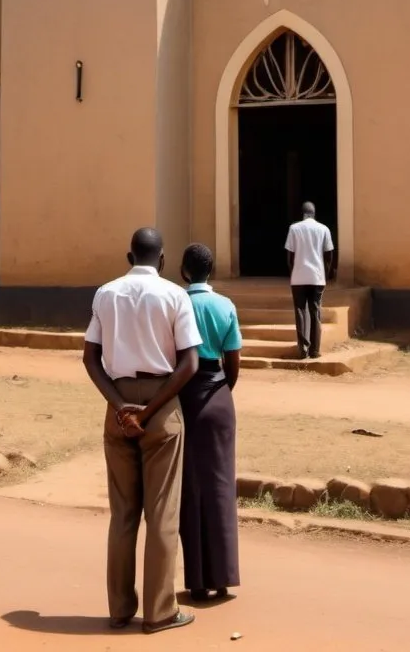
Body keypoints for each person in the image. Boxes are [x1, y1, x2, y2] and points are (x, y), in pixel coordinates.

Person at [82, 227, 202, 635]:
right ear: (164, 259)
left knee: (123, 514)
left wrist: (121, 408)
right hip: (161, 404)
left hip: (117, 407)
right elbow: (189, 364)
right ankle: (160, 612)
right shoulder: (174, 295)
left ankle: (119, 610)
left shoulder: (106, 293)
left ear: (129, 256)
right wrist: (149, 410)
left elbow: (90, 358)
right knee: (162, 513)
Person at [178, 243, 242, 601]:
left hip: (183, 394)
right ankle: (224, 577)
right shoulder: (225, 305)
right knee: (221, 487)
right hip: (218, 395)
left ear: (184, 272)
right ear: (211, 270)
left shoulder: (177, 302)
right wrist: (222, 390)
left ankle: (197, 582)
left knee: (190, 489)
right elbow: (232, 359)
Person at [284, 202, 335, 360]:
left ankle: (303, 349)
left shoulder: (294, 228)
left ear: (303, 213)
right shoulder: (323, 229)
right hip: (317, 277)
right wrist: (325, 273)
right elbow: (329, 254)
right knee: (315, 311)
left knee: (300, 311)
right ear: (314, 213)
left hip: (299, 277)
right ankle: (315, 350)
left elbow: (290, 255)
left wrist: (293, 271)